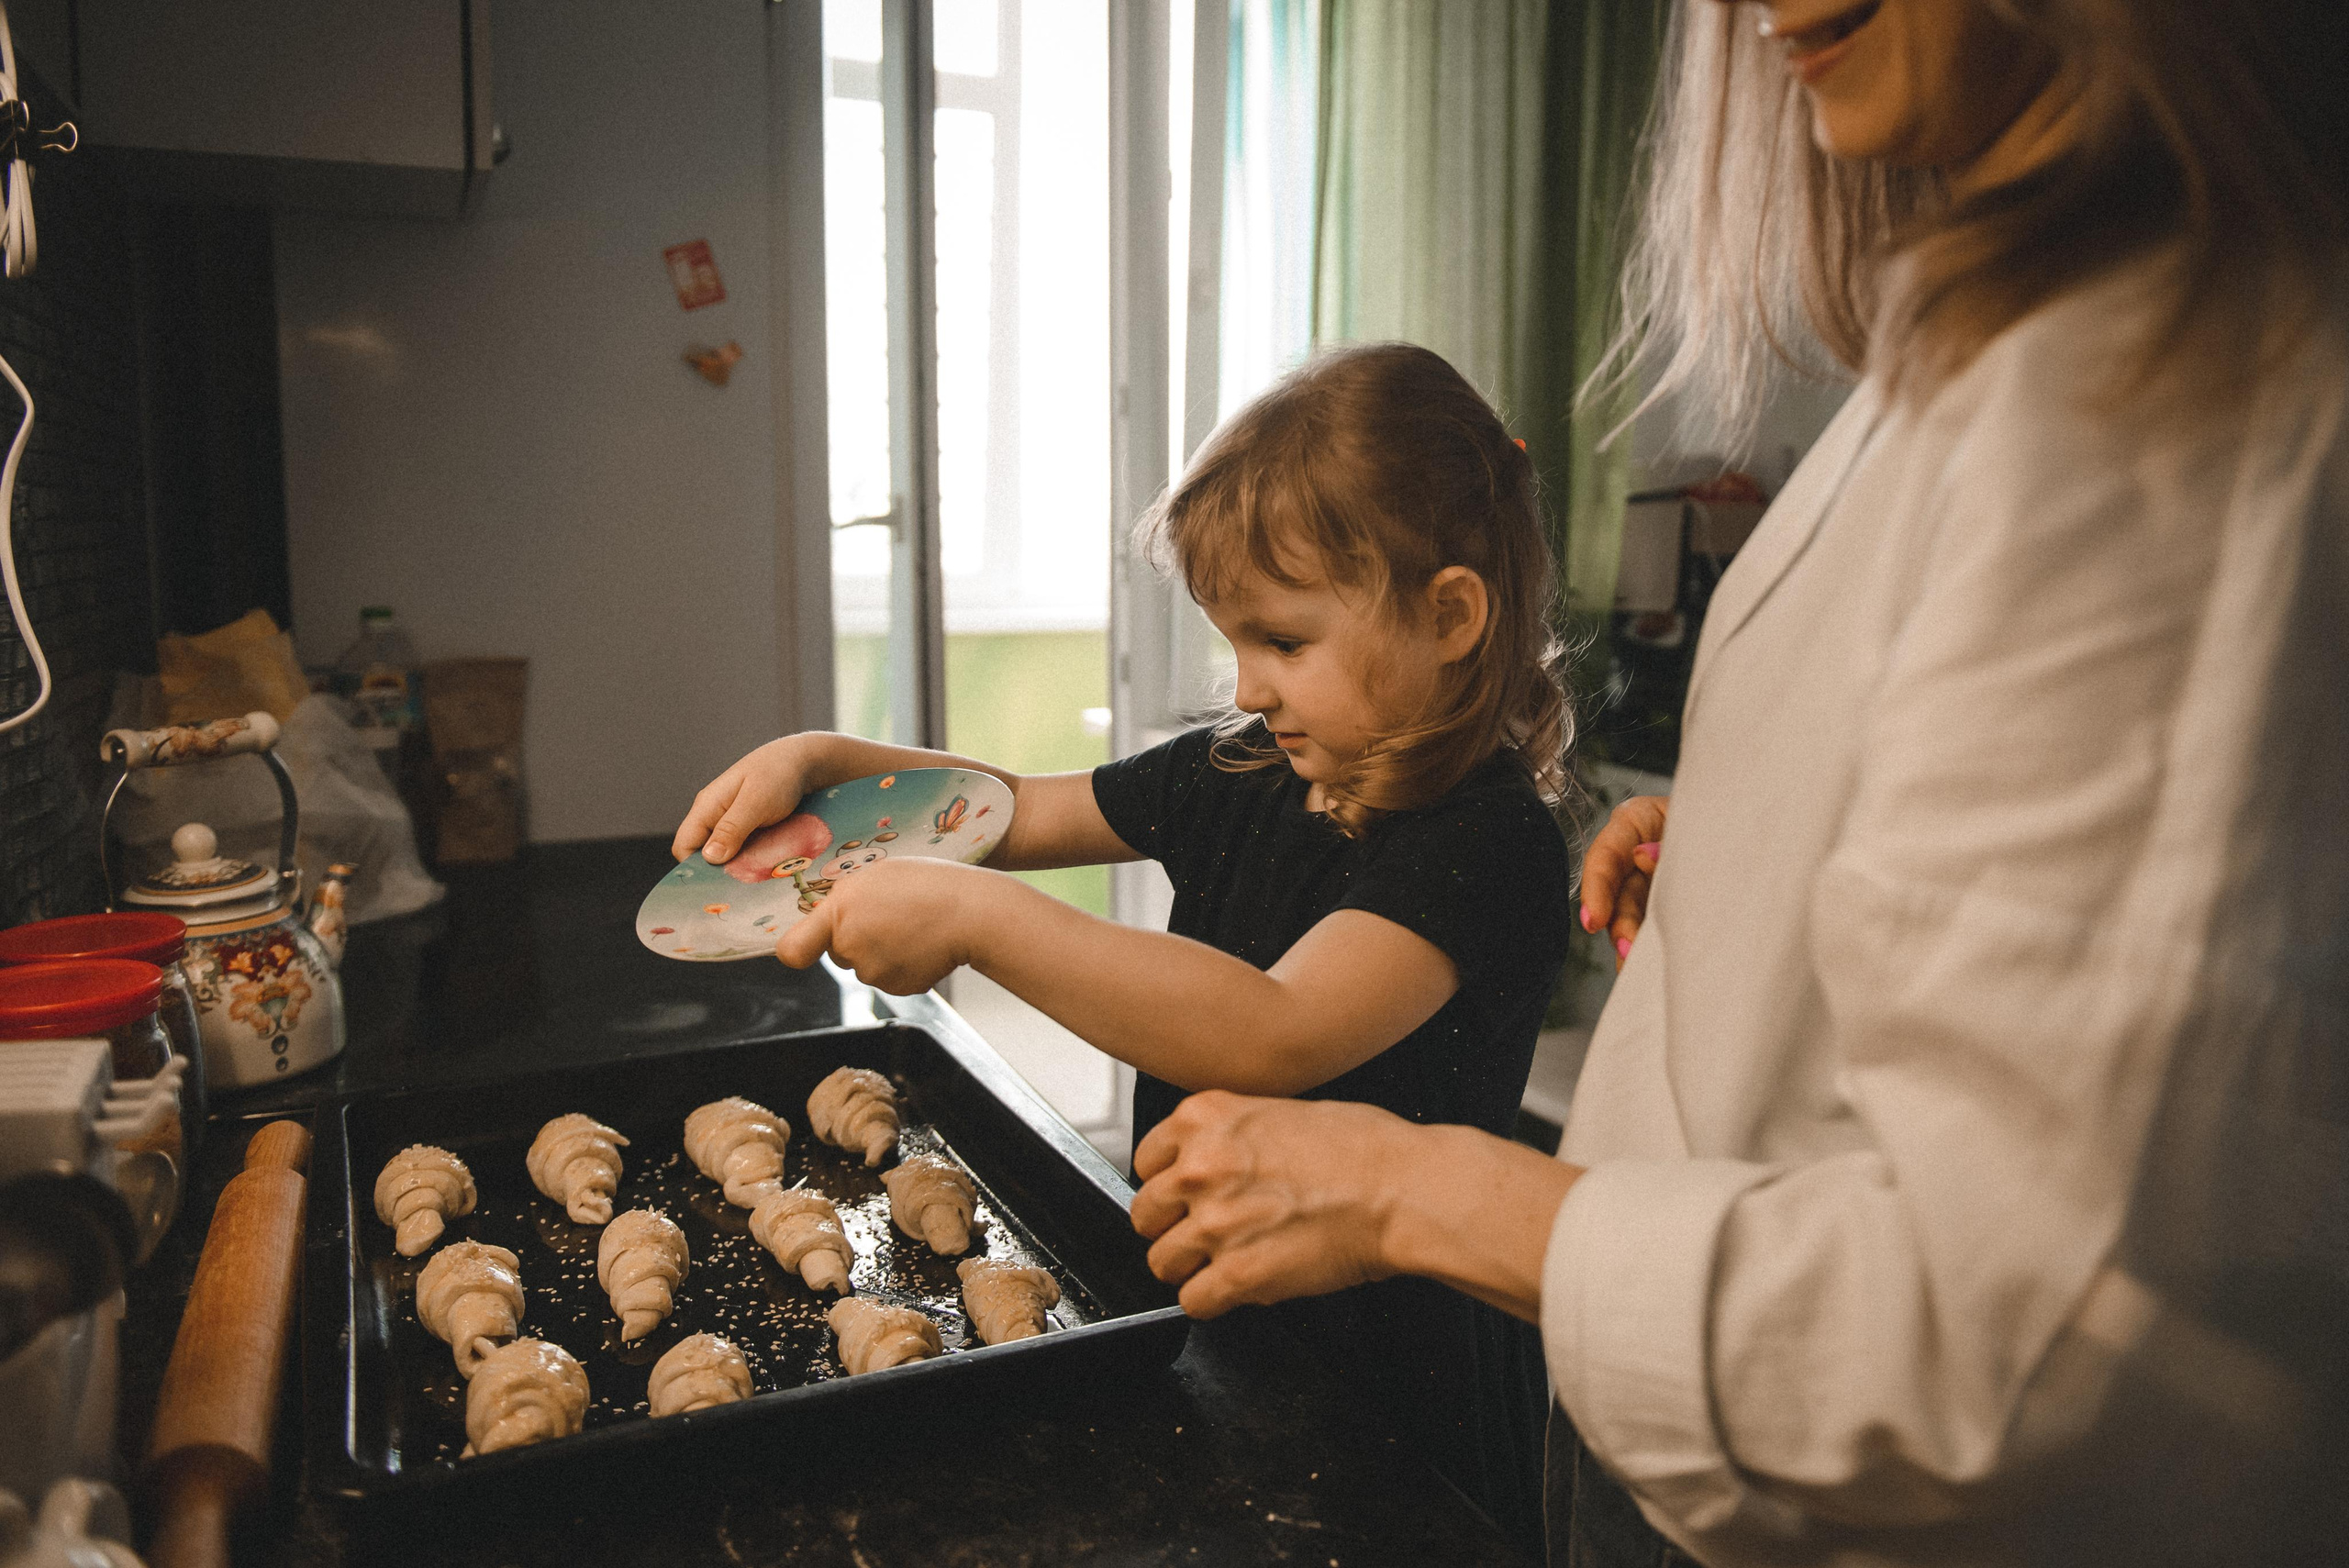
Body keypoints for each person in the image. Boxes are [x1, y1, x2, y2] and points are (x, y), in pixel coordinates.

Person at [1125, 2, 2349, 1565]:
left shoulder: (2156, 404)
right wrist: (1764, 858)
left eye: (1281, 639)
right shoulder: (1983, 360)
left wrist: (1409, 1191)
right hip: (1663, 1440)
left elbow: (2019, 1341)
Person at [673, 343, 1577, 1549]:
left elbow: (1275, 1028)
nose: (1249, 685)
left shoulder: (1487, 836)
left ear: (1450, 612)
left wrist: (976, 921)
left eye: (1285, 641)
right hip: (1203, 1299)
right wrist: (838, 767)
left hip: (1391, 1380)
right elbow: (1012, 811)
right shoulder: (1247, 767)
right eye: (1233, 639)